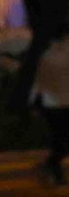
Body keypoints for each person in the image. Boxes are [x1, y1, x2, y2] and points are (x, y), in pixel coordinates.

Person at [32, 22, 69, 185]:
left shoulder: (46, 52)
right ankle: (53, 167)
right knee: (61, 140)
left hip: (53, 103)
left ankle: (53, 167)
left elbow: (38, 80)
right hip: (58, 103)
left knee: (60, 139)